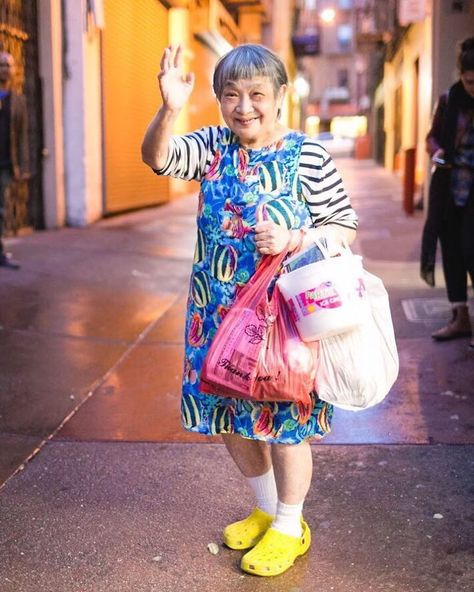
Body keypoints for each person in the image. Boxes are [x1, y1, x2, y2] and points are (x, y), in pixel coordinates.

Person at [142, 44, 358, 576]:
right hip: (214, 315)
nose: (245, 107)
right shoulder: (213, 147)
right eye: (231, 95)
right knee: (231, 420)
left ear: (281, 95)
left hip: (280, 323)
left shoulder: (307, 154)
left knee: (285, 424)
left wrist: (296, 235)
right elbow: (157, 158)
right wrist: (169, 109)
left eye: (257, 94)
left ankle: (290, 524)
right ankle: (266, 511)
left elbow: (344, 226)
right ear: (218, 100)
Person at [422, 37, 474, 349]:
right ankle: (460, 317)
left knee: (471, 249)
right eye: (469, 81)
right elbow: (431, 138)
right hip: (450, 186)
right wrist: (437, 151)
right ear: (461, 76)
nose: (473, 87)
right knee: (452, 249)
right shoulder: (449, 100)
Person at [0, 50, 29, 270]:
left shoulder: (18, 100)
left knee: (1, 208)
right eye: (2, 65)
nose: (5, 69)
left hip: (5, 164)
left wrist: (21, 166)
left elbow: (22, 136)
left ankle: (1, 253)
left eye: (8, 65)